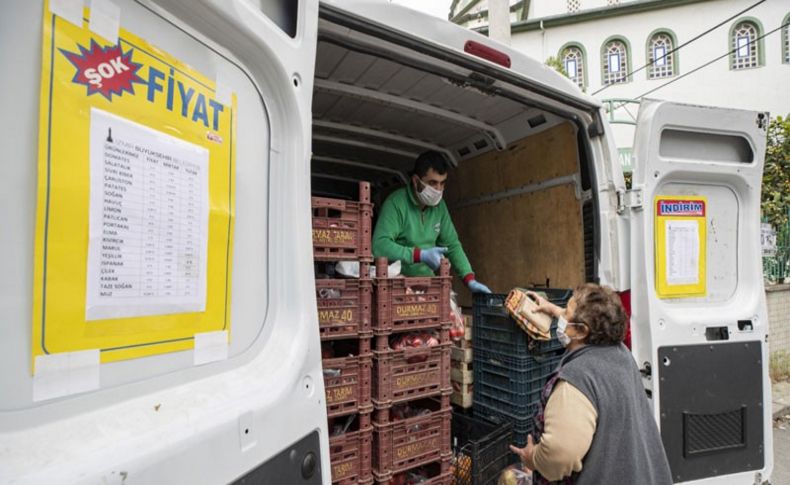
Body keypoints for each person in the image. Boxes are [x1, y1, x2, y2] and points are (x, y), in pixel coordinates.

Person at [509, 284, 672, 485]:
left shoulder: (578, 377)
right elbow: (583, 323)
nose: (561, 319)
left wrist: (532, 458)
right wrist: (551, 309)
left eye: (566, 313)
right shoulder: (620, 353)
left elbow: (560, 455)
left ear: (581, 331)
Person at [372, 151, 490, 293]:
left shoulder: (440, 207)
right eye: (432, 183)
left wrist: (469, 278)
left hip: (427, 283)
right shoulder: (396, 203)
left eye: (442, 183)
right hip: (397, 285)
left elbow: (452, 244)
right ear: (416, 181)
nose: (438, 190)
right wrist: (419, 255)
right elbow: (379, 245)